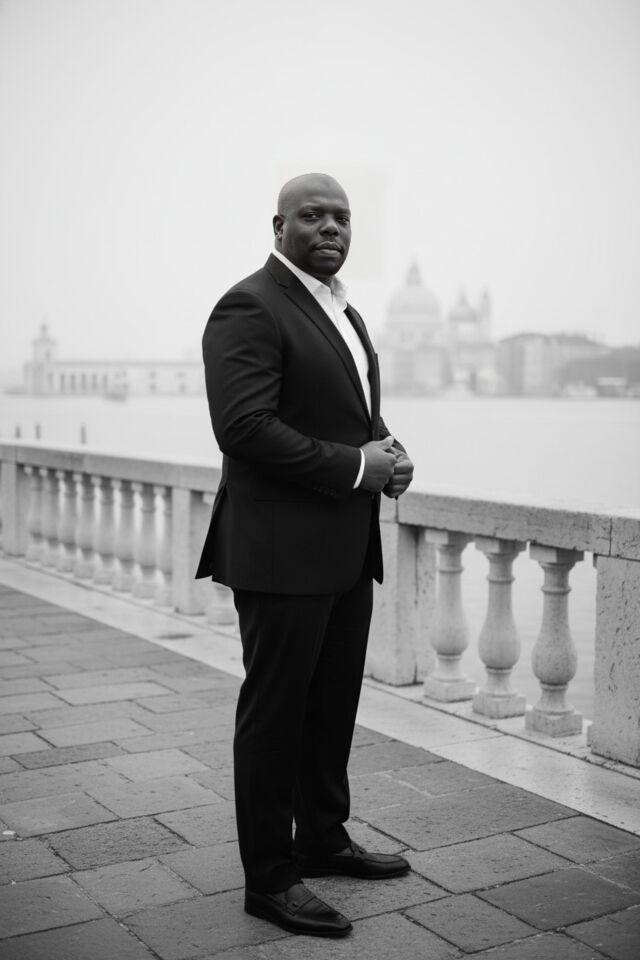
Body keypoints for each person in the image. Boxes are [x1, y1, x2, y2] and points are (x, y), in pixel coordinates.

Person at [196, 173, 414, 938]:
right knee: (276, 715)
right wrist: (357, 468)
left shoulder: (343, 311)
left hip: (346, 548)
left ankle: (322, 839)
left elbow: (347, 413)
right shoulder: (250, 305)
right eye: (313, 215)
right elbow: (243, 428)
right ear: (279, 225)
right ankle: (270, 877)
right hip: (281, 552)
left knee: (331, 707)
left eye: (342, 217)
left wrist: (388, 452)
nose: (331, 227)